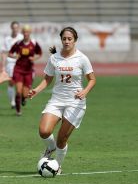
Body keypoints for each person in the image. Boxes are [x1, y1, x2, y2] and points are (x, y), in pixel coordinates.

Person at [28, 27, 96, 174]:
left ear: (75, 40)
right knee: (44, 131)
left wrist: (85, 91)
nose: (66, 41)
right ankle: (50, 147)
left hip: (75, 103)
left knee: (61, 138)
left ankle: (56, 166)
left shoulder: (82, 58)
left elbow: (92, 79)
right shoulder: (54, 58)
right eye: (64, 39)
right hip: (56, 100)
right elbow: (47, 79)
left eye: (69, 39)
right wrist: (36, 90)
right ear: (61, 40)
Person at [9, 24, 42, 115]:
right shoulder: (18, 43)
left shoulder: (34, 43)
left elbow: (40, 53)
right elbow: (10, 53)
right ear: (22, 33)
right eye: (24, 32)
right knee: (18, 91)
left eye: (27, 32)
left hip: (28, 71)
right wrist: (15, 56)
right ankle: (18, 111)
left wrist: (34, 58)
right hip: (18, 69)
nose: (25, 33)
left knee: (25, 94)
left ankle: (24, 99)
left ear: (30, 32)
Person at [1, 21, 23, 108]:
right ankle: (13, 102)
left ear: (18, 28)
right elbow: (3, 53)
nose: (15, 29)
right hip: (10, 63)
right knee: (11, 82)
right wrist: (2, 66)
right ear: (11, 28)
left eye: (16, 27)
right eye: (13, 28)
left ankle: (20, 98)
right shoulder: (7, 39)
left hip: (20, 63)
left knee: (20, 82)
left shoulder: (21, 38)